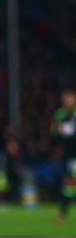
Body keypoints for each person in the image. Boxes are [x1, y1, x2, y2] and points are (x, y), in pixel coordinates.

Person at [51, 89, 76, 222]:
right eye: (65, 99)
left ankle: (62, 213)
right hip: (69, 154)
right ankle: (63, 212)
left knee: (71, 183)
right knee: (70, 184)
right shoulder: (59, 114)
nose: (68, 102)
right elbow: (55, 132)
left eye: (70, 99)